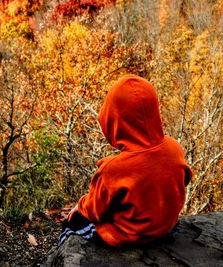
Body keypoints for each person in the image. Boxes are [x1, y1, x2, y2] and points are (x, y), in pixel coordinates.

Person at [59, 74, 193, 247]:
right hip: (165, 227)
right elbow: (184, 179)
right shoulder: (174, 148)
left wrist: (80, 206)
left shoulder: (112, 170)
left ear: (114, 120)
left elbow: (95, 211)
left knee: (70, 225)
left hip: (129, 237)